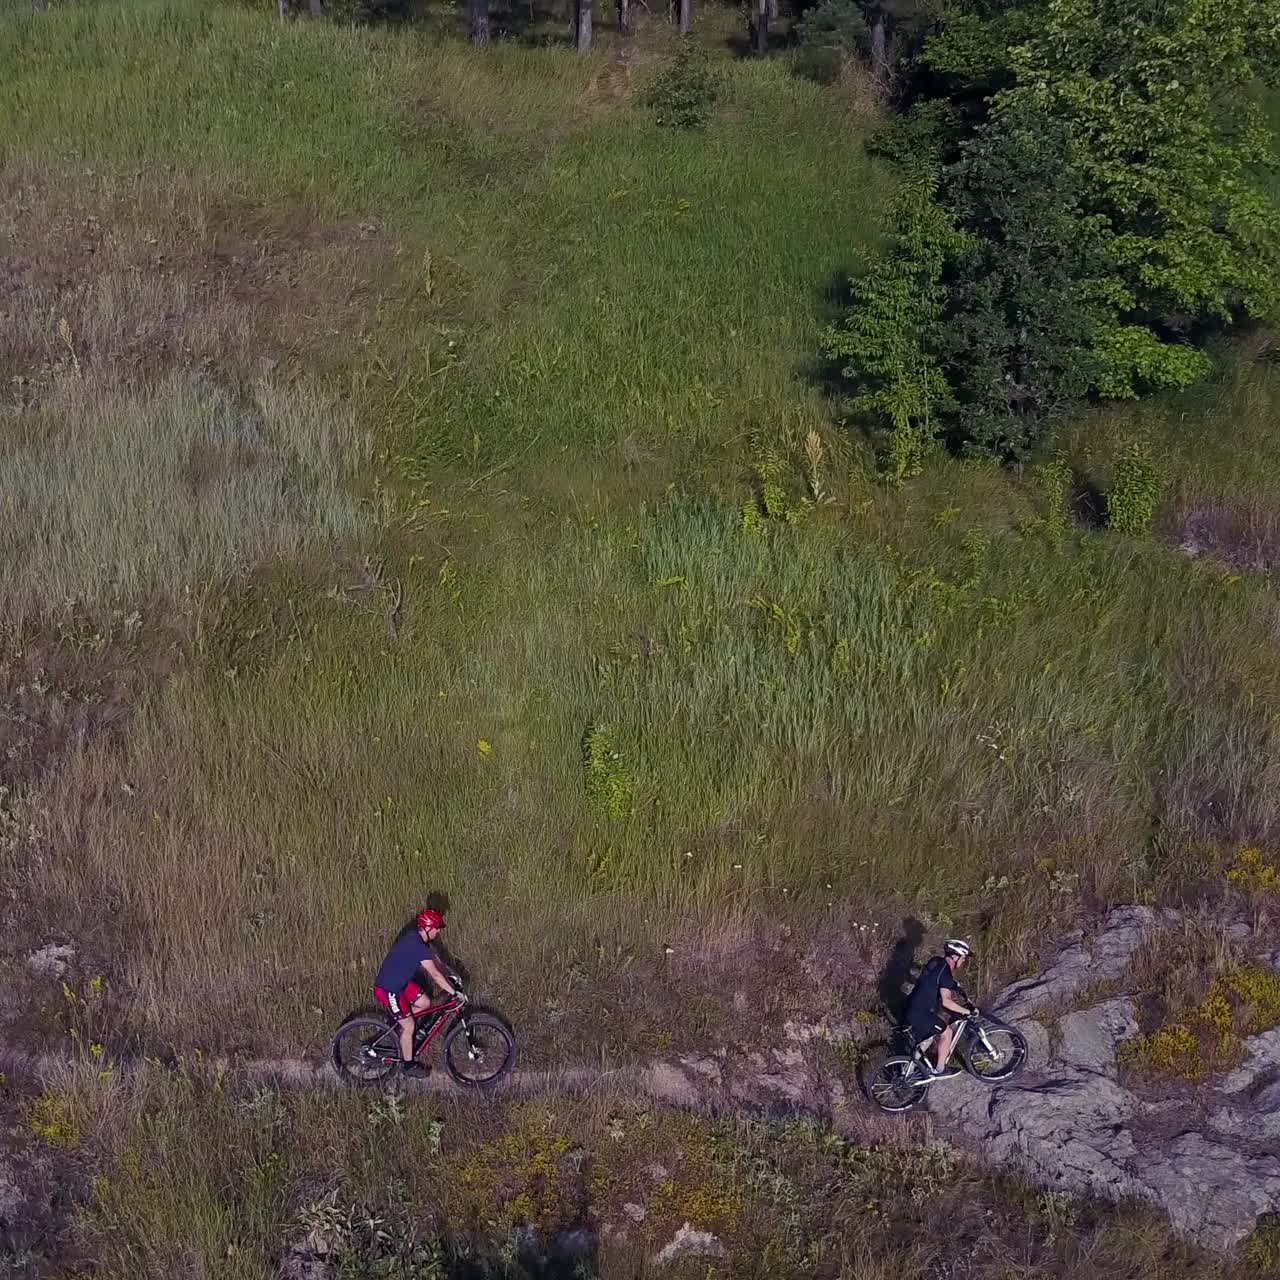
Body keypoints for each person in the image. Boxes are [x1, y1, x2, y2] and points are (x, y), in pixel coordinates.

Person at [372, 907, 466, 1077]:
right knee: (409, 1025)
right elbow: (435, 974)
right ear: (428, 928)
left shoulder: (418, 938)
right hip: (389, 988)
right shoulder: (417, 945)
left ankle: (401, 1026)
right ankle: (408, 1065)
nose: (438, 931)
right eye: (437, 928)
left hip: (401, 982)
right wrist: (453, 992)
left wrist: (451, 976)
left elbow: (436, 962)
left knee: (425, 1003)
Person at [903, 938, 976, 1078]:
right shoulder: (946, 973)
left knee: (927, 1038)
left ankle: (908, 1070)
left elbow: (935, 979)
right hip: (920, 1013)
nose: (963, 962)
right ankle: (940, 1070)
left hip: (910, 1006)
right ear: (955, 957)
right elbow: (946, 1002)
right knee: (947, 1032)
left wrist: (956, 986)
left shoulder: (936, 962)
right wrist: (968, 1011)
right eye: (963, 958)